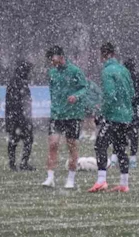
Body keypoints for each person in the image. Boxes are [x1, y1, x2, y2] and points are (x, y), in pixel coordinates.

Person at [88, 42, 134, 193]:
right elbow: (132, 92)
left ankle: (101, 181)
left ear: (103, 55)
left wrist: (102, 113)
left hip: (113, 116)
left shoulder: (107, 71)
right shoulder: (124, 70)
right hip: (126, 115)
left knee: (100, 145)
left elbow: (109, 94)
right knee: (120, 148)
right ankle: (124, 183)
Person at [43, 45, 88, 189]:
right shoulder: (52, 73)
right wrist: (55, 106)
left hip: (73, 115)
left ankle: (71, 179)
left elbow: (84, 87)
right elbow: (52, 90)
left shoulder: (74, 71)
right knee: (53, 143)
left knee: (71, 145)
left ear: (60, 56)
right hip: (57, 114)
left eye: (52, 58)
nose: (51, 61)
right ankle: (50, 178)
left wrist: (76, 96)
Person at [5, 60, 35, 171]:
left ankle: (14, 164)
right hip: (20, 118)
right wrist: (25, 118)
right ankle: (23, 163)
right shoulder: (20, 82)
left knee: (14, 141)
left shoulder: (14, 81)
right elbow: (20, 102)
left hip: (15, 117)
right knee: (27, 140)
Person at [123, 58, 139, 169]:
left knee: (122, 131)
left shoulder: (125, 76)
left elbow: (138, 93)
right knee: (134, 132)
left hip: (128, 107)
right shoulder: (138, 76)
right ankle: (133, 157)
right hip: (136, 107)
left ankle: (119, 156)